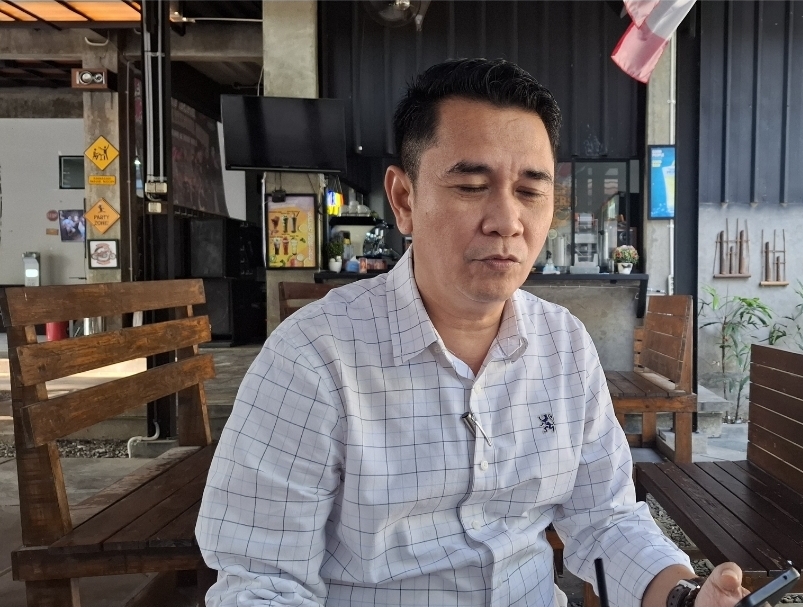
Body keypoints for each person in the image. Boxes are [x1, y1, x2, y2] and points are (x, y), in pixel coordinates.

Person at [195, 58, 750, 607]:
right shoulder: (313, 358)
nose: (506, 221)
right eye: (470, 185)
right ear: (404, 199)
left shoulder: (564, 344)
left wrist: (685, 598)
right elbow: (262, 581)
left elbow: (605, 518)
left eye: (530, 191)